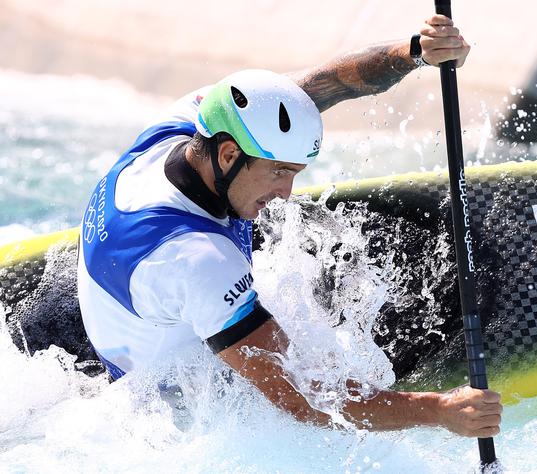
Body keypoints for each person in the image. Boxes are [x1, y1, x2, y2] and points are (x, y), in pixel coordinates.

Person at [77, 14, 502, 438]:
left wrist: (415, 52)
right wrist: (439, 410)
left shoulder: (191, 122)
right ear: (228, 156)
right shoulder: (195, 261)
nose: (285, 192)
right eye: (279, 172)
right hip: (176, 417)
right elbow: (304, 396)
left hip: (143, 312)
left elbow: (328, 82)